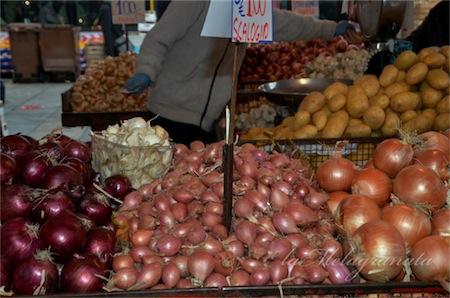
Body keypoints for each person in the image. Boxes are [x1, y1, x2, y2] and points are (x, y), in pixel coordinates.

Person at [124, 1, 360, 145]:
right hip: (168, 115)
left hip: (206, 123)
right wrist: (146, 70)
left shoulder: (245, 7)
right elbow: (158, 39)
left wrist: (331, 28)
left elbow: (285, 24)